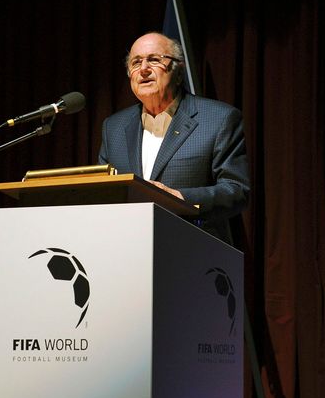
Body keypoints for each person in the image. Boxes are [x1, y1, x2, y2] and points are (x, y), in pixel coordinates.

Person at [98, 31, 250, 244]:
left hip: (194, 250)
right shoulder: (114, 127)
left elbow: (236, 191)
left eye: (154, 60)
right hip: (128, 249)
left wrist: (179, 198)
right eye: (136, 62)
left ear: (178, 71)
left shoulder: (218, 119)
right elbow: (104, 192)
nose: (143, 69)